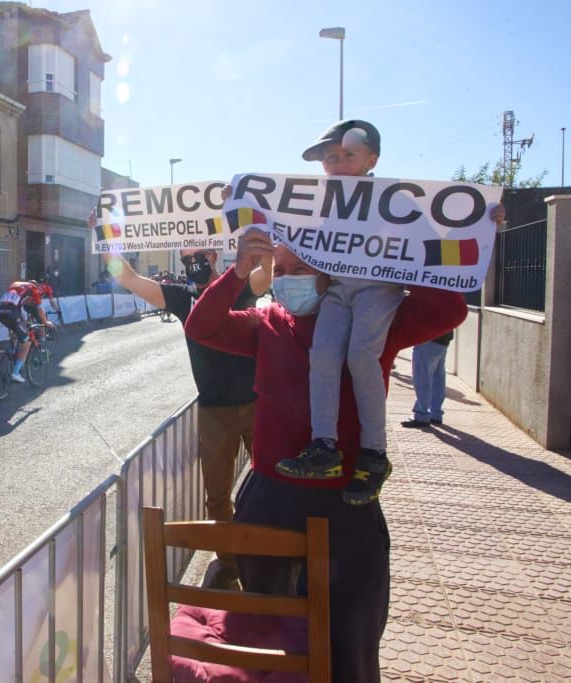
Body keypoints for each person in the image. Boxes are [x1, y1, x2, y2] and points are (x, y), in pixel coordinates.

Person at [185, 208, 501, 679]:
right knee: (269, 629)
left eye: (300, 270)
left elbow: (449, 309)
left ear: (331, 273)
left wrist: (423, 242)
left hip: (346, 501)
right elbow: (202, 327)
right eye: (280, 271)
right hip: (271, 496)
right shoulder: (266, 323)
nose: (285, 281)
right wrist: (236, 271)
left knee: (351, 634)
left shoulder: (373, 323)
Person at [88, 209, 271, 588]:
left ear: (216, 255)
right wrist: (104, 236)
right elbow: (127, 277)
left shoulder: (239, 283)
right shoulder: (181, 297)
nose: (194, 265)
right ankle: (230, 563)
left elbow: (265, 275)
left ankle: (272, 560)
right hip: (214, 411)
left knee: (270, 486)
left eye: (201, 257)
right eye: (187, 260)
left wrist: (260, 237)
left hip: (258, 405)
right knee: (217, 499)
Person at [273, 120, 404, 506]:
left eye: (348, 154)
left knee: (362, 355)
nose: (338, 162)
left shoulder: (393, 197)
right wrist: (239, 202)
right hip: (337, 288)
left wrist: (485, 221)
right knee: (324, 355)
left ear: (371, 159)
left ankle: (375, 454)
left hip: (377, 286)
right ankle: (324, 446)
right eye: (331, 157)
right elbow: (278, 221)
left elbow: (436, 230)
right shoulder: (318, 201)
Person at [0, 279, 57, 383]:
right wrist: (45, 322)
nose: (31, 300)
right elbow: (39, 309)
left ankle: (12, 352)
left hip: (1, 312)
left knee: (17, 331)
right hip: (12, 313)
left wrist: (23, 322)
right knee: (27, 342)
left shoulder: (15, 284)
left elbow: (15, 305)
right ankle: (15, 373)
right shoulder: (34, 289)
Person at [402, 331, 454, 427]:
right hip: (443, 338)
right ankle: (435, 413)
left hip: (428, 337)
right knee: (438, 378)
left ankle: (421, 414)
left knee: (422, 377)